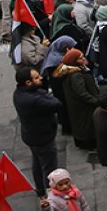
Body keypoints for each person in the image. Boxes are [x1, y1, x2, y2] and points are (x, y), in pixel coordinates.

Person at [13, 68, 64, 197]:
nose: (40, 78)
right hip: (42, 137)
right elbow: (57, 104)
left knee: (37, 162)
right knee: (49, 167)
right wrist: (46, 94)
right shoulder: (33, 99)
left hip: (31, 135)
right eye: (36, 78)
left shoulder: (18, 93)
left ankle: (40, 190)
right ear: (28, 83)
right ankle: (51, 194)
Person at [53, 49, 100, 150]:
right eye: (80, 58)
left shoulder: (74, 71)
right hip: (83, 107)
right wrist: (96, 101)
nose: (84, 59)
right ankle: (89, 144)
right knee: (86, 126)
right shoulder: (76, 75)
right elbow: (82, 93)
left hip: (79, 106)